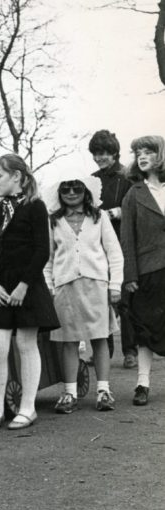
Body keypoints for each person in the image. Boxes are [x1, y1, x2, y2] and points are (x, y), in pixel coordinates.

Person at [0, 154, 59, 431]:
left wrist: (24, 285)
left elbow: (42, 251)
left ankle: (28, 407)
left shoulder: (36, 208)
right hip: (0, 290)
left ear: (17, 176)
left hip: (27, 287)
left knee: (26, 344)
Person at [43, 174, 123, 413]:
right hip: (65, 286)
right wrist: (50, 285)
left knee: (99, 338)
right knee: (68, 341)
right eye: (65, 188)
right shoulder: (54, 221)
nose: (70, 193)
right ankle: (69, 393)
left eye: (76, 188)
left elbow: (114, 253)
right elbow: (48, 259)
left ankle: (104, 390)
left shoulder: (99, 218)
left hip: (96, 285)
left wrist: (115, 285)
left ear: (86, 191)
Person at [120, 135, 165, 406]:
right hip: (148, 271)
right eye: (138, 153)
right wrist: (130, 276)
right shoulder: (133, 194)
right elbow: (127, 239)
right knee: (147, 330)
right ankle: (142, 384)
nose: (142, 156)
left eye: (148, 151)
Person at [88, 129, 136, 368]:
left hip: (123, 241)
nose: (100, 157)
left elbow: (137, 206)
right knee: (99, 299)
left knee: (124, 299)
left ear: (115, 152)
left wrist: (118, 212)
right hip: (98, 245)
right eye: (96, 153)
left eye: (105, 153)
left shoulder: (128, 175)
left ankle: (131, 351)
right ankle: (102, 350)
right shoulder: (92, 179)